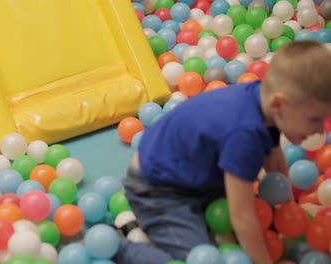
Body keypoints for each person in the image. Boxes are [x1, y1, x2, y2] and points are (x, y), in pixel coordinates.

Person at [116, 40, 331, 264]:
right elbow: (242, 217)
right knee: (201, 259)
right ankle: (120, 248)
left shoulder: (264, 101)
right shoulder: (245, 134)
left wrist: (289, 217)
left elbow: (275, 162)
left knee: (259, 223)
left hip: (198, 174)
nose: (318, 130)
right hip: (159, 190)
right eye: (314, 119)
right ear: (279, 105)